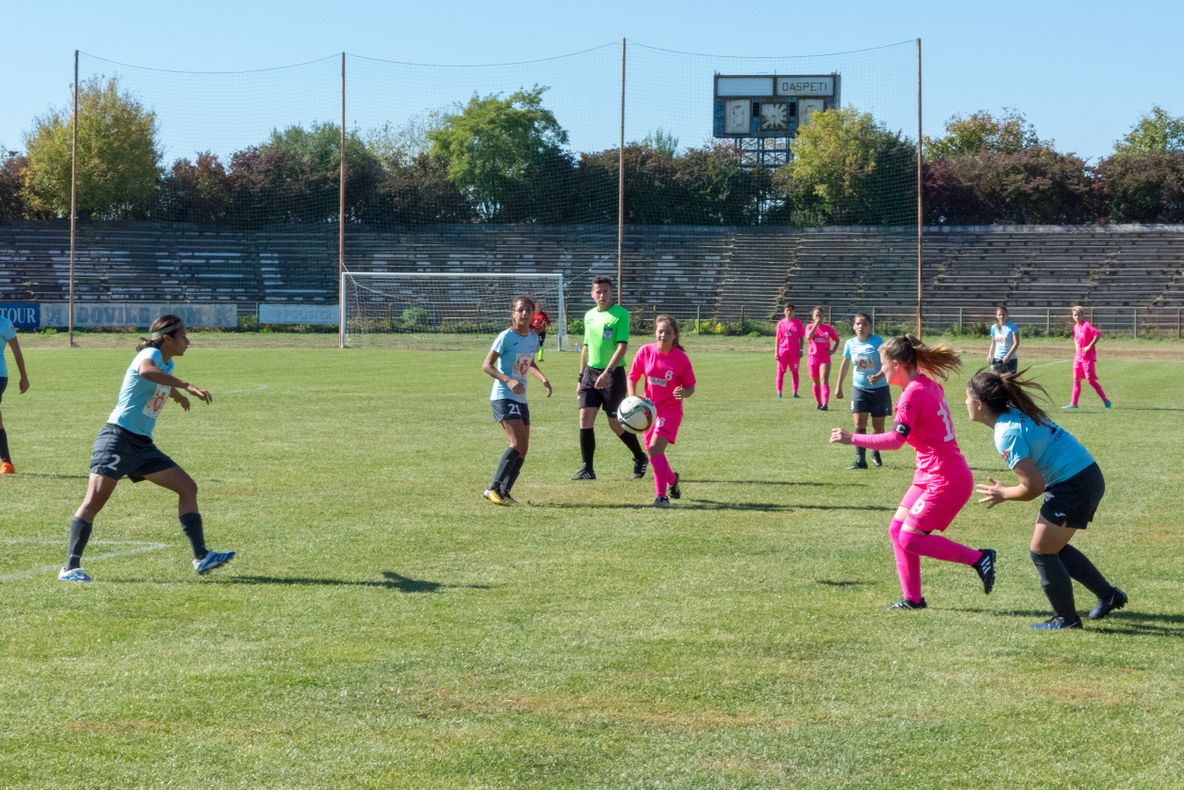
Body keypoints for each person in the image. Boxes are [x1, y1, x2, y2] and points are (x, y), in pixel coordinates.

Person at [58, 316, 235, 582]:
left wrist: (177, 396)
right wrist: (186, 386)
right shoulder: (150, 353)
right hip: (117, 438)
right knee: (93, 502)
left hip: (142, 444)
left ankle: (202, 557)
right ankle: (70, 568)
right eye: (184, 336)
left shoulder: (167, 361)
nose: (188, 341)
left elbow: (158, 380)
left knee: (188, 488)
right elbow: (146, 372)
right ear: (168, 338)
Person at [829, 335, 996, 610]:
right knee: (897, 530)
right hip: (930, 474)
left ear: (897, 364)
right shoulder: (926, 384)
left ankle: (979, 558)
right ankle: (913, 599)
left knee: (909, 537)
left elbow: (895, 441)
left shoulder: (912, 394)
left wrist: (853, 438)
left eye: (882, 364)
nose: (879, 370)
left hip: (946, 479)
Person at [967, 368, 1126, 629]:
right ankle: (1109, 596)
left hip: (1075, 485)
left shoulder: (1006, 432)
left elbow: (1033, 487)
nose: (965, 403)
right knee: (1054, 548)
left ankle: (1066, 619)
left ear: (980, 404)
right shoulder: (1012, 413)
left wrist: (1003, 493)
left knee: (1041, 552)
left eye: (967, 398)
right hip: (1084, 476)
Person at [573, 276, 648, 481]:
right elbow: (586, 347)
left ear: (611, 292)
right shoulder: (589, 316)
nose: (601, 295)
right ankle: (587, 468)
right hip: (590, 373)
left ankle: (640, 457)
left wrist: (607, 373)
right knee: (584, 417)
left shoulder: (620, 314)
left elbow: (622, 346)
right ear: (592, 294)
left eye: (605, 291)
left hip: (613, 375)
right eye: (598, 291)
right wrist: (581, 377)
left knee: (615, 423)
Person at [482, 296, 553, 505]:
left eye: (528, 310)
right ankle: (491, 488)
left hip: (521, 398)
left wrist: (544, 380)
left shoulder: (532, 338)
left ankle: (505, 492)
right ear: (513, 313)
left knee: (524, 446)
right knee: (517, 442)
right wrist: (508, 379)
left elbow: (529, 363)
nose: (525, 314)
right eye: (521, 310)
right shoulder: (505, 337)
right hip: (503, 395)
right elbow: (487, 365)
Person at [627, 315, 696, 508]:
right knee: (653, 453)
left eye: (667, 332)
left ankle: (661, 497)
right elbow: (632, 377)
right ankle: (673, 481)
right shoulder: (645, 351)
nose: (663, 335)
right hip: (648, 411)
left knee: (654, 449)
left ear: (675, 335)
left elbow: (690, 387)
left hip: (671, 410)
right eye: (660, 331)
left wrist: (684, 392)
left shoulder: (681, 359)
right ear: (655, 332)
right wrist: (633, 399)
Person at [834, 313, 889, 470]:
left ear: (870, 326)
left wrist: (878, 376)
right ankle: (860, 460)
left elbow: (887, 363)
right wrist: (838, 386)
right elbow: (844, 365)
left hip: (879, 389)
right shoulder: (850, 344)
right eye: (858, 324)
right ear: (853, 326)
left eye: (864, 324)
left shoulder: (878, 342)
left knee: (879, 428)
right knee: (859, 425)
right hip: (859, 389)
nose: (860, 327)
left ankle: (875, 451)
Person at [0, 312, 31, 475]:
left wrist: (24, 377)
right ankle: (7, 463)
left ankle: (7, 463)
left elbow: (17, 351)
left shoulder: (4, 323)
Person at [1065, 305, 1110, 410]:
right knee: (1076, 379)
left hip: (1088, 358)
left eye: (1079, 315)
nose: (1077, 317)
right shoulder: (1075, 327)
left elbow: (1097, 334)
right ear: (1072, 316)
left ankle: (1106, 401)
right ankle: (1074, 404)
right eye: (1075, 315)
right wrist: (1077, 348)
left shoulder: (1087, 325)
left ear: (1082, 315)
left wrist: (1089, 346)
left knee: (1091, 381)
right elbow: (1076, 338)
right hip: (1078, 358)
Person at [804, 306, 840, 410]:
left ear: (824, 316)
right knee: (816, 381)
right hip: (813, 358)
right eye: (816, 315)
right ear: (813, 317)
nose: (818, 317)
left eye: (820, 315)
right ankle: (819, 402)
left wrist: (833, 350)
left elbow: (837, 340)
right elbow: (808, 337)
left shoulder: (828, 328)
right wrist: (816, 324)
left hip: (824, 357)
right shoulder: (809, 327)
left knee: (824, 379)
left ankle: (825, 404)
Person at [774, 303, 804, 399]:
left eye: (791, 310)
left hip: (794, 352)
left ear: (794, 311)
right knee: (780, 372)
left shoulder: (797, 323)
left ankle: (795, 392)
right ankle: (779, 393)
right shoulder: (780, 323)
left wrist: (801, 349)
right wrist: (776, 351)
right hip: (782, 352)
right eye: (787, 310)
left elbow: (801, 338)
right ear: (784, 311)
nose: (789, 312)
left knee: (795, 372)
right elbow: (777, 339)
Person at [988, 305, 1020, 374]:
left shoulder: (1012, 326)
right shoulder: (994, 327)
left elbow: (1016, 343)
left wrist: (1008, 356)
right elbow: (993, 343)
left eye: (1003, 314)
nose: (1001, 316)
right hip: (996, 360)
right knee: (993, 382)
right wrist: (990, 355)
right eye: (999, 315)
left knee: (1009, 384)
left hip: (1010, 360)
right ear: (996, 316)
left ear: (1007, 315)